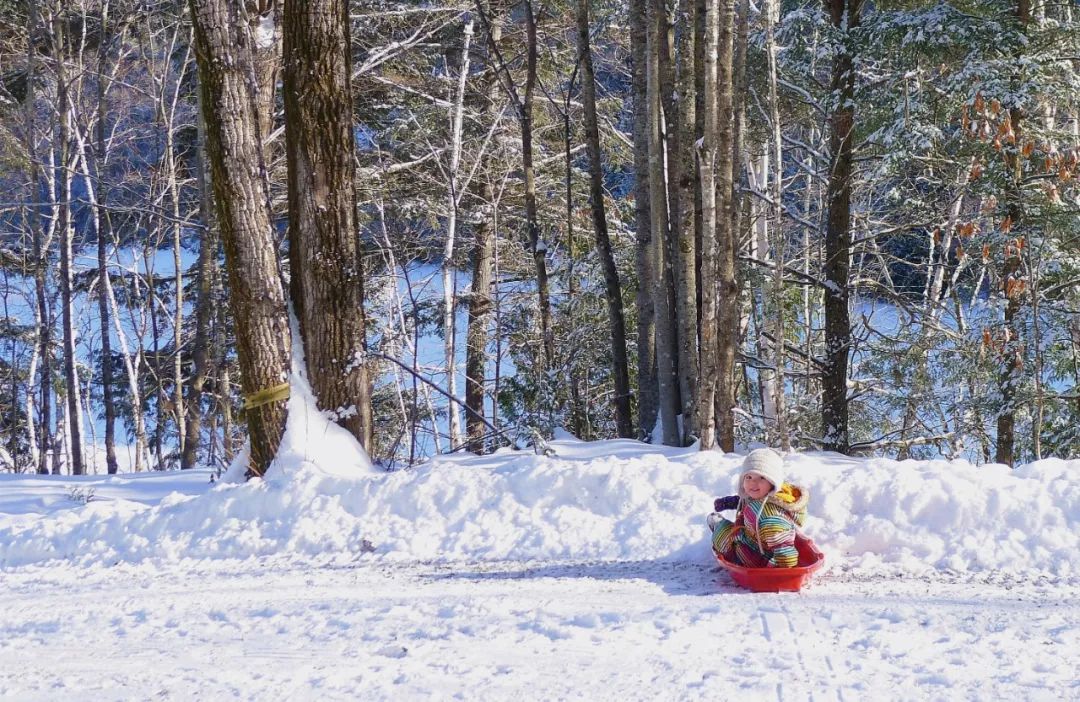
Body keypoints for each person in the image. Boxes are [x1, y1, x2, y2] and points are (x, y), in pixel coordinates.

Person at [706, 448, 809, 568]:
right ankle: (720, 525)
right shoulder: (764, 496)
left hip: (753, 558)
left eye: (762, 477)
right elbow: (749, 501)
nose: (753, 482)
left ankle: (718, 526)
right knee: (730, 529)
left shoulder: (770, 517)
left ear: (773, 482)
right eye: (748, 477)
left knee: (722, 535)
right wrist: (730, 502)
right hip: (752, 539)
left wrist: (771, 573)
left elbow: (785, 553)